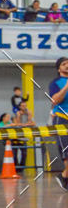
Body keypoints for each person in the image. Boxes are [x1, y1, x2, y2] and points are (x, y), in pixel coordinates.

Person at [48, 56, 68, 191]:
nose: (67, 66)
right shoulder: (55, 83)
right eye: (64, 64)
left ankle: (64, 177)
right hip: (62, 118)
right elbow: (55, 100)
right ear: (59, 68)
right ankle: (64, 177)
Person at [12, 100, 35, 173]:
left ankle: (21, 169)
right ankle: (15, 168)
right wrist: (18, 115)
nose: (24, 107)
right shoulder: (16, 114)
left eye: (25, 106)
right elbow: (17, 124)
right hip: (16, 136)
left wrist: (29, 116)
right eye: (22, 106)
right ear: (19, 107)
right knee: (14, 154)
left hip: (24, 137)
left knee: (24, 154)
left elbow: (32, 123)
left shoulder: (28, 113)